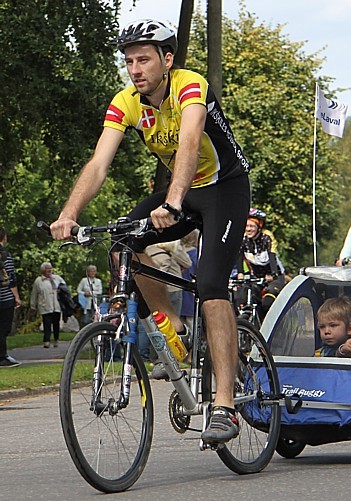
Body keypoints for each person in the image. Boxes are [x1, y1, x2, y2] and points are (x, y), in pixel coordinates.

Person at [49, 19, 250, 445]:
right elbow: (99, 163)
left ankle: (226, 407)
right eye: (129, 62)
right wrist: (68, 214)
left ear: (167, 59)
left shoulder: (189, 85)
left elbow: (191, 142)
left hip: (223, 189)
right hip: (177, 191)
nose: (135, 69)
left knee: (212, 285)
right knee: (123, 240)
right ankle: (172, 324)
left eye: (144, 59)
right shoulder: (126, 102)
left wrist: (173, 201)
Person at [236, 209, 286, 319]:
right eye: (246, 226)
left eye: (251, 226)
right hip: (256, 276)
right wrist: (240, 273)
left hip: (274, 275)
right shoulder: (243, 238)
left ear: (259, 227)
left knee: (267, 302)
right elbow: (239, 256)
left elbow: (272, 256)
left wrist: (272, 274)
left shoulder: (266, 237)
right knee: (241, 297)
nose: (248, 229)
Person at [145, 239, 192, 317]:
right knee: (174, 317)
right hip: (173, 287)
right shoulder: (174, 248)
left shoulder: (148, 248)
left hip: (153, 287)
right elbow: (188, 263)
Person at [0, 227, 22, 367]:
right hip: (4, 298)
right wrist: (17, 297)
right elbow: (11, 279)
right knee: (3, 329)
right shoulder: (5, 255)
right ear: (4, 237)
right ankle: (2, 356)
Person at [30, 262, 65, 348]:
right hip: (45, 305)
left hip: (56, 305)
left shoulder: (56, 278)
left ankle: (56, 339)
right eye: (47, 268)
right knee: (47, 323)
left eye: (50, 268)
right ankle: (47, 340)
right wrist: (33, 305)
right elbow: (34, 294)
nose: (49, 270)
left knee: (56, 323)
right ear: (42, 270)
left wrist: (61, 291)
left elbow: (65, 288)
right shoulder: (38, 281)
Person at [180, 229, 200, 332]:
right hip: (191, 295)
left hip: (179, 293)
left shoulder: (178, 254)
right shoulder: (196, 254)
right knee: (193, 327)